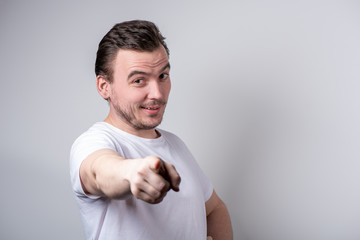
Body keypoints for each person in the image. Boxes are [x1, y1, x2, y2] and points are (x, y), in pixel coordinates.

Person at [70, 20, 233, 240]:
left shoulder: (176, 145)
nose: (157, 93)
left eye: (162, 76)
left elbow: (215, 209)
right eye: (139, 80)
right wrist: (131, 173)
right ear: (104, 86)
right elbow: (99, 171)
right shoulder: (93, 142)